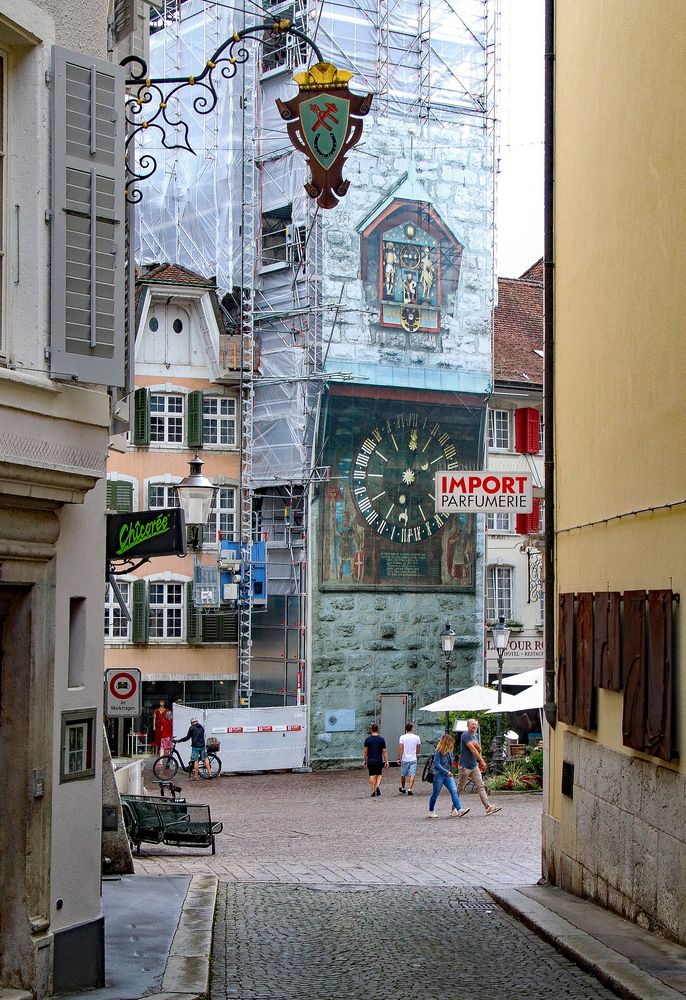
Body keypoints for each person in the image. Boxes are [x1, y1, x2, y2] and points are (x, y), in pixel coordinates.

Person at [456, 719, 502, 816]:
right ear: (468, 726)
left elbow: (479, 748)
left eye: (475, 724)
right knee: (460, 788)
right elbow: (472, 750)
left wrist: (477, 746)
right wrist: (481, 761)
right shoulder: (465, 735)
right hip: (465, 766)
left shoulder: (476, 736)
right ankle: (454, 808)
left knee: (481, 786)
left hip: (474, 766)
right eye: (472, 724)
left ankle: (488, 807)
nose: (474, 726)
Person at [428, 733, 470, 818]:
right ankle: (431, 811)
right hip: (438, 775)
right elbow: (437, 764)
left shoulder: (450, 752)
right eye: (451, 742)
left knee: (454, 792)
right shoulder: (438, 751)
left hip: (448, 775)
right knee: (435, 794)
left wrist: (452, 771)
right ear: (446, 742)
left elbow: (451, 764)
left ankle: (459, 810)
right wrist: (446, 771)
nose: (452, 744)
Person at [363, 723, 389, 797]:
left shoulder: (367, 740)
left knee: (372, 775)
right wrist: (386, 761)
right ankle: (377, 786)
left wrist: (364, 760)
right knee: (379, 774)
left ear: (371, 730)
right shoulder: (381, 740)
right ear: (378, 730)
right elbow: (384, 751)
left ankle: (373, 791)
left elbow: (365, 751)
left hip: (370, 760)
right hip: (378, 760)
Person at [397, 722, 421, 795]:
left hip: (405, 759)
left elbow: (401, 748)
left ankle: (403, 787)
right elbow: (418, 749)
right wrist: (414, 753)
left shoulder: (402, 737)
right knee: (412, 774)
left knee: (403, 774)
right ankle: (410, 789)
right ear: (412, 728)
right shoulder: (417, 737)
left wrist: (399, 758)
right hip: (413, 758)